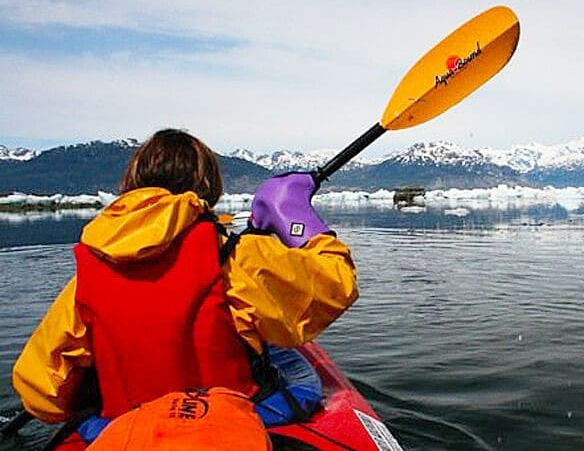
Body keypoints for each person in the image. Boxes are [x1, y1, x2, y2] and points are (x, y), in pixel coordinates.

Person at [11, 129, 359, 450]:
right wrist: (296, 218)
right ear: (207, 186)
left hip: (128, 423)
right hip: (227, 421)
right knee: (299, 372)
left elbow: (40, 392)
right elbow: (336, 283)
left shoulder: (87, 274)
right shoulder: (232, 255)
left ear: (132, 183)